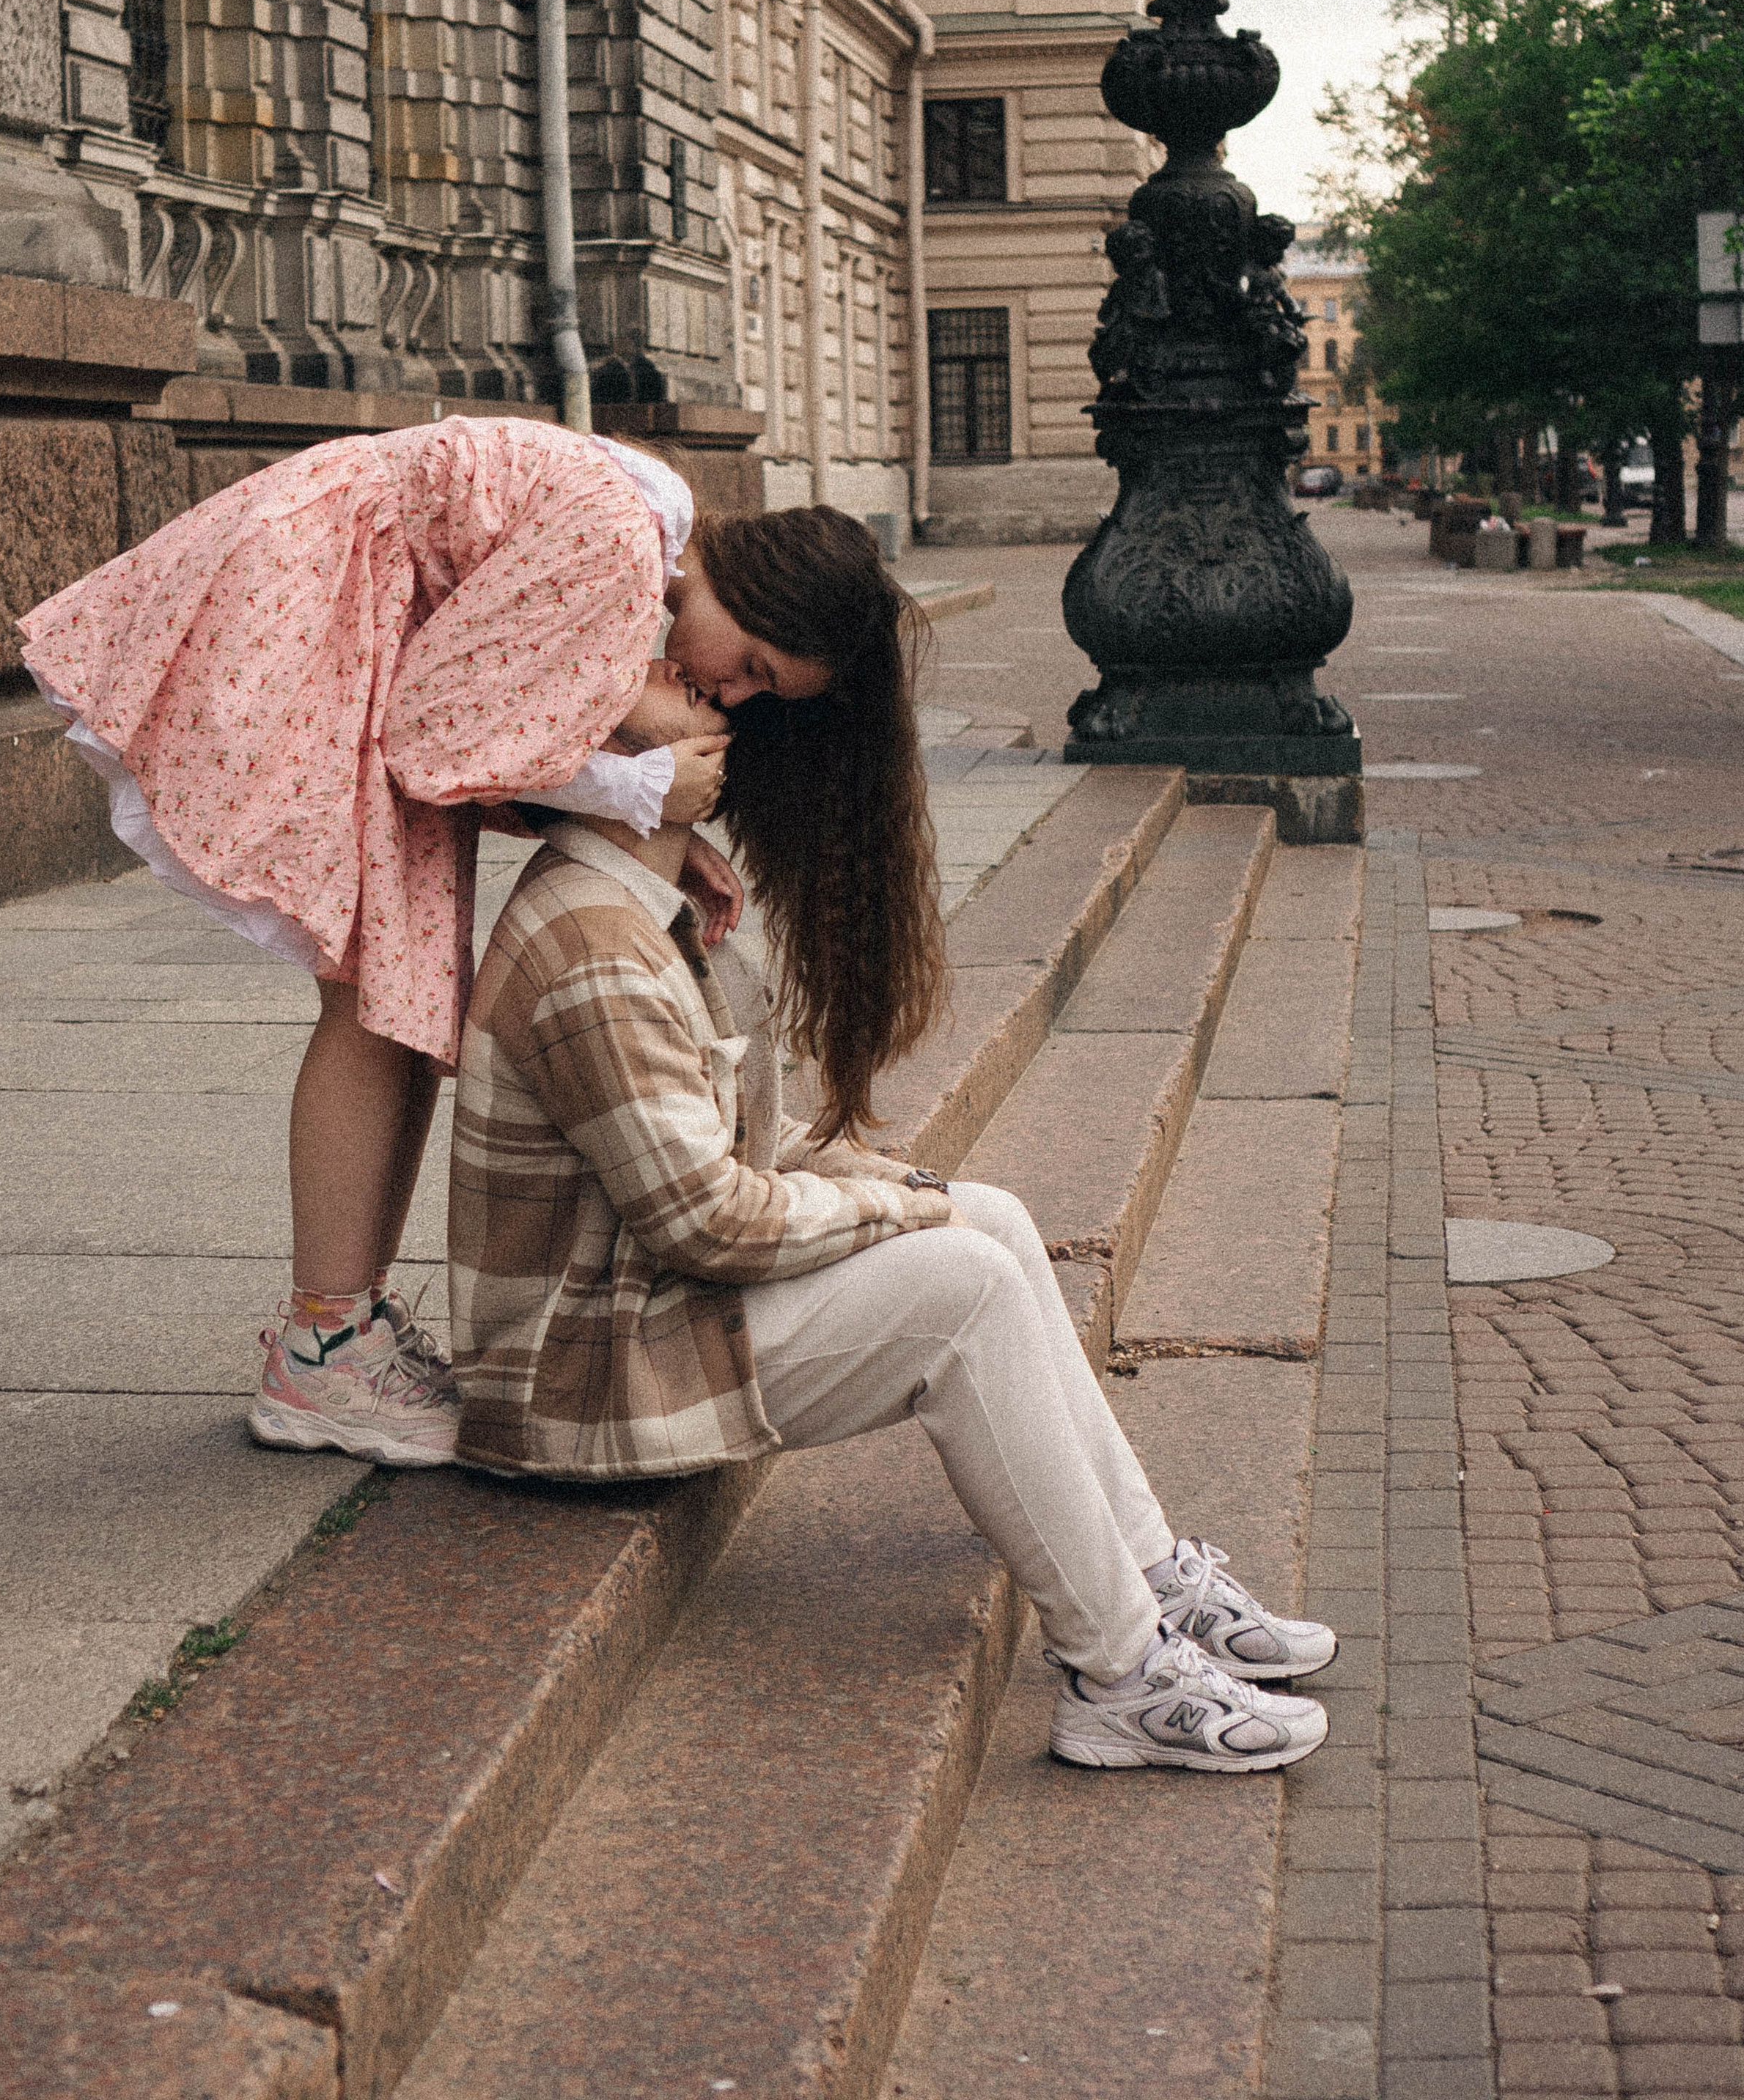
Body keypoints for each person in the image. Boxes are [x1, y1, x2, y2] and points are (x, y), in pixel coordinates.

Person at [448, 658, 1336, 1775]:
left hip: (647, 1300)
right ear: (616, 758)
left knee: (993, 1222)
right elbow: (706, 1222)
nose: (701, 687)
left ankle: (1148, 1570)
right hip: (589, 1372)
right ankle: (1118, 1675)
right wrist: (889, 1210)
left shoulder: (641, 904)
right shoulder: (591, 946)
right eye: (664, 685)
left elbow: (731, 1159)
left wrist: (902, 1195)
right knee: (962, 1291)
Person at [17, 419, 895, 1467]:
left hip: (343, 619)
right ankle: (324, 1347)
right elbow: (438, 735)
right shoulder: (622, 545)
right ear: (744, 587)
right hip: (314, 616)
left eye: (761, 693)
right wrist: (637, 783)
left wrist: (655, 823)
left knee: (403, 996)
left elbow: (488, 719)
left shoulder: (633, 535)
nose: (732, 693)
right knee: (369, 994)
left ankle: (341, 1328)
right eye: (750, 663)